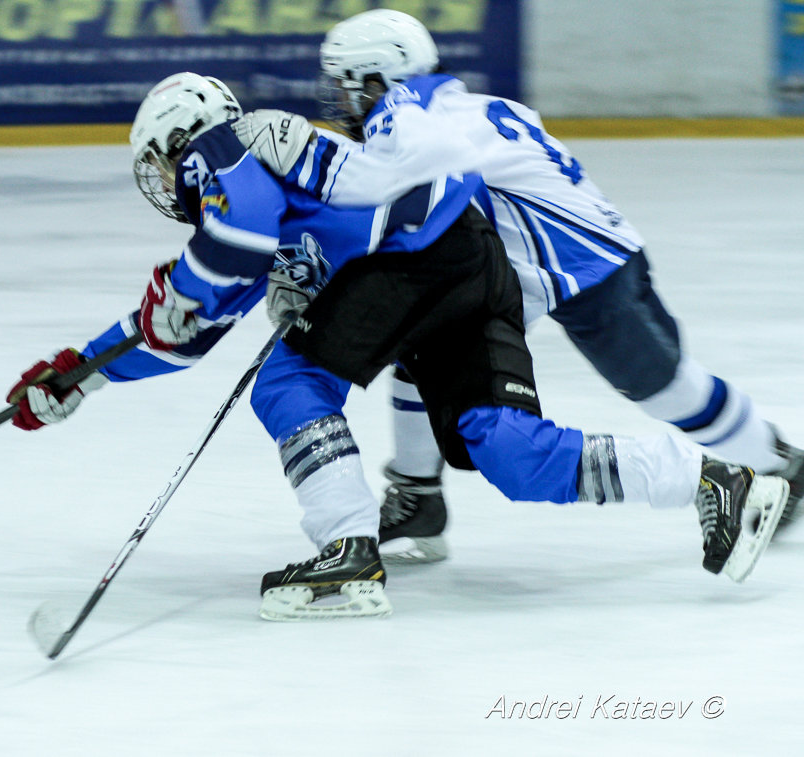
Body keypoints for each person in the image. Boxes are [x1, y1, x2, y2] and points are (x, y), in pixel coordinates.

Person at [7, 72, 789, 621]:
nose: (163, 181)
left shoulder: (229, 146)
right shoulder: (248, 189)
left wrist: (179, 298)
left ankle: (346, 550)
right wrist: (85, 372)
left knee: (287, 382)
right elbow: (192, 335)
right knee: (505, 449)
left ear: (179, 140)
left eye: (158, 161)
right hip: (468, 260)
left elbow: (230, 245)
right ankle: (714, 481)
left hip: (412, 261)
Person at [232, 9, 804, 565]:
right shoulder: (466, 102)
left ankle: (781, 465)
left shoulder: (403, 113)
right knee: (421, 347)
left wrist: (307, 169)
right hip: (553, 258)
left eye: (347, 85)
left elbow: (387, 195)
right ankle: (417, 493)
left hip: (579, 269)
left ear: (378, 78)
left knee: (666, 389)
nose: (340, 100)